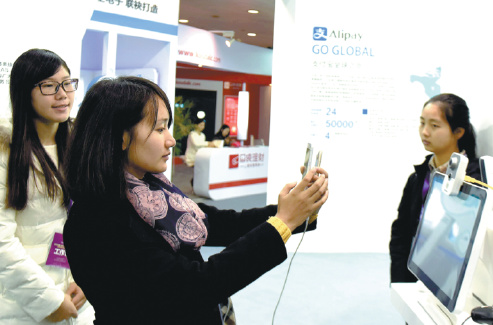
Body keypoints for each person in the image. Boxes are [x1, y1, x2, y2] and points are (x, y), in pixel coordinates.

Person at [63, 76, 329, 324]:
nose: (170, 140)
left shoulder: (153, 191)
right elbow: (196, 285)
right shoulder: (97, 221)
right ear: (120, 137)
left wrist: (294, 211)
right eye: (159, 129)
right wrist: (283, 221)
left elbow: (218, 222)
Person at [0, 49, 94, 324]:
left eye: (67, 83)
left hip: (75, 297)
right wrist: (49, 301)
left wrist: (86, 279)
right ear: (24, 92)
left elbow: (92, 224)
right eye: (49, 86)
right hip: (23, 305)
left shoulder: (78, 148)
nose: (62, 94)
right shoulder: (7, 153)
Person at [389, 93, 480, 283]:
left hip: (452, 282)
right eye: (422, 123)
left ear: (458, 132)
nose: (425, 132)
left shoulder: (476, 180)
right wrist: (400, 281)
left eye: (434, 125)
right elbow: (402, 231)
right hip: (416, 275)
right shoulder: (418, 177)